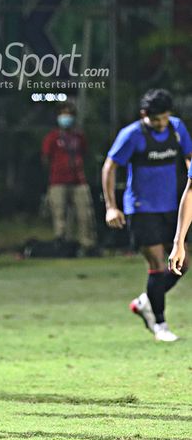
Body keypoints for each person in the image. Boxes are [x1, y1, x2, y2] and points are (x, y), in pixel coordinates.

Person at [102, 88, 192, 342]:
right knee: (157, 265)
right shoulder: (132, 135)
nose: (161, 124)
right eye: (156, 119)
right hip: (141, 208)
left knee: (182, 264)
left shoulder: (176, 128)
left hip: (171, 207)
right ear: (145, 115)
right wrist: (111, 205)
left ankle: (145, 302)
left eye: (164, 117)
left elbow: (189, 158)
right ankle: (160, 326)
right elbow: (110, 166)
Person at [41, 101, 97, 255]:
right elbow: (45, 157)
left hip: (78, 180)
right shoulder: (52, 137)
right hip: (58, 181)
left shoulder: (79, 136)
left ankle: (87, 245)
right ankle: (62, 245)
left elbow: (85, 153)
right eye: (63, 114)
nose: (66, 118)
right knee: (60, 215)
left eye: (69, 115)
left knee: (85, 214)